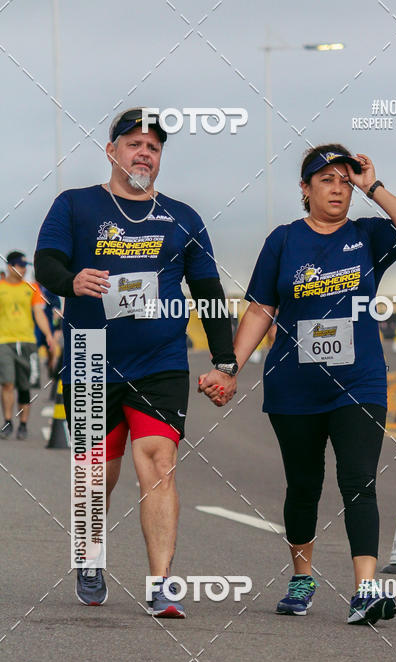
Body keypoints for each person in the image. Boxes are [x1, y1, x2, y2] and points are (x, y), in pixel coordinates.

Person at [35, 107, 238, 617]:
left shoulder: (183, 217)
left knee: (159, 462)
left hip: (160, 361)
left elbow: (208, 291)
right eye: (134, 144)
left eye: (153, 146)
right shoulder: (75, 205)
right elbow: (46, 262)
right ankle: (89, 557)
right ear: (112, 151)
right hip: (90, 359)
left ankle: (161, 583)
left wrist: (225, 361)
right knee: (96, 474)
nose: (144, 152)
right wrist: (70, 280)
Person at [226, 144, 396, 625]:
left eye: (344, 180)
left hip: (359, 382)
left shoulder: (368, 235)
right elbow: (260, 310)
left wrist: (373, 186)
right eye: (326, 180)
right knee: (304, 485)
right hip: (293, 385)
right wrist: (229, 367)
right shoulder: (283, 241)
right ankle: (302, 578)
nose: (338, 188)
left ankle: (365, 590)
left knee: (358, 481)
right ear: (305, 188)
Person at [0, 251, 56, 439]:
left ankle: (23, 424)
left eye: (25, 267)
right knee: (7, 383)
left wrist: (48, 334)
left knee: (25, 386)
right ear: (10, 267)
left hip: (27, 341)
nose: (24, 270)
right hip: (4, 341)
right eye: (20, 266)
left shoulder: (32, 288)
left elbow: (39, 313)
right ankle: (8, 421)